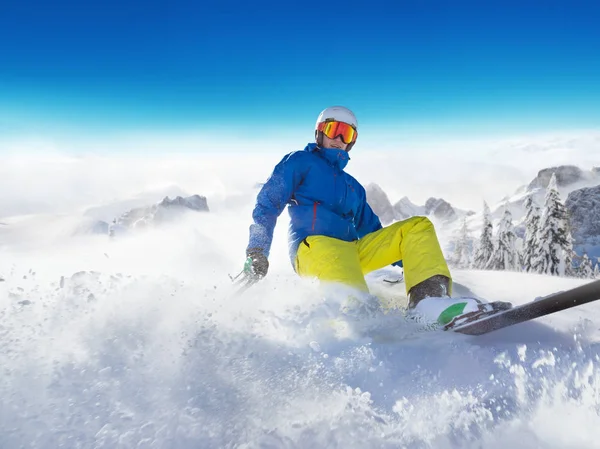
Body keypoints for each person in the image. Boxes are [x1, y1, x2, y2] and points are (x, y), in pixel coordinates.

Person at [243, 106, 509, 324]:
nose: (339, 138)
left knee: (416, 227)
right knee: (360, 313)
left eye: (346, 134)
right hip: (314, 248)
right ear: (319, 134)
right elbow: (267, 203)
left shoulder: (353, 188)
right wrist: (257, 250)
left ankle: (429, 303)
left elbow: (374, 232)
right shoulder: (300, 161)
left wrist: (418, 266)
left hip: (353, 250)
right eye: (333, 129)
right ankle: (358, 332)